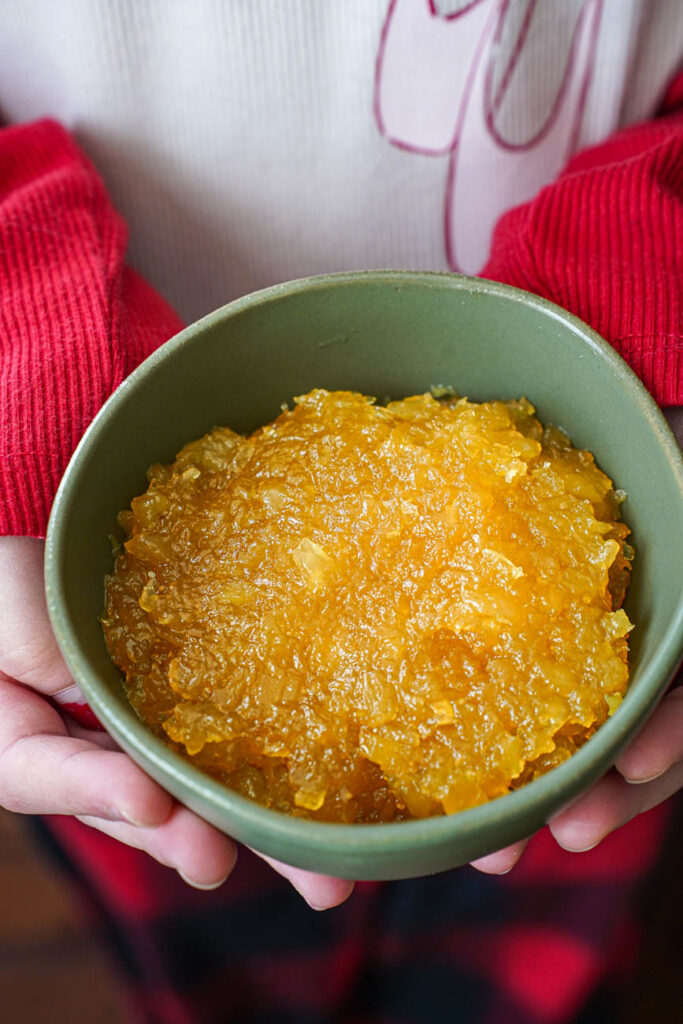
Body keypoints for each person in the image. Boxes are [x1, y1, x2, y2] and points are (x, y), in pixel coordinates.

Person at [0, 2, 681, 1021]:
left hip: (632, 402)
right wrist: (28, 371)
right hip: (67, 548)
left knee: (532, 973)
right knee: (216, 960)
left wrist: (640, 284)